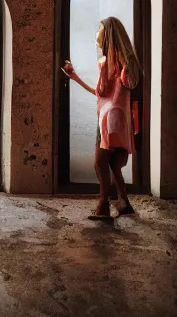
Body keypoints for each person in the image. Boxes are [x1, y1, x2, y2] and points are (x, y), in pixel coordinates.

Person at [61, 16, 141, 220]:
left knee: (99, 162)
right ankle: (123, 203)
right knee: (113, 163)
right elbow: (104, 92)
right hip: (116, 118)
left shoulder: (114, 62)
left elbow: (116, 87)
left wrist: (121, 60)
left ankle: (103, 205)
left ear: (108, 35)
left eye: (100, 30)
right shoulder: (114, 63)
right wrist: (75, 77)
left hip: (110, 119)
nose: (96, 34)